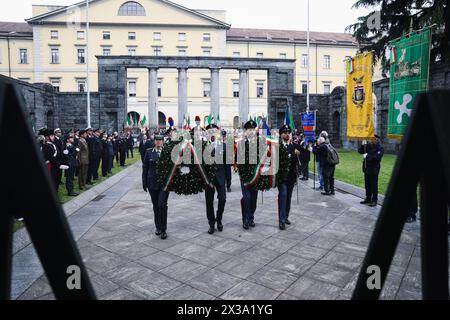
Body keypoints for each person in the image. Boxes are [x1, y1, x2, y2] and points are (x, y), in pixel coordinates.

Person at [142, 135, 170, 240]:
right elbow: (145, 168)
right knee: (156, 206)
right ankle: (158, 227)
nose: (158, 142)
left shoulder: (167, 152)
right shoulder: (149, 152)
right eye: (157, 140)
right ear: (155, 142)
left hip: (164, 184)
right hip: (152, 183)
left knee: (162, 205)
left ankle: (163, 229)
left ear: (163, 142)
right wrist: (144, 182)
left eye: (160, 140)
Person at [204, 124, 227, 235]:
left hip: (221, 177)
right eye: (210, 131)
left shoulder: (223, 146)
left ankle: (219, 219)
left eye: (214, 131)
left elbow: (227, 164)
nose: (212, 133)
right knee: (209, 202)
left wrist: (228, 180)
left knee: (222, 199)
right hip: (208, 179)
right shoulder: (203, 147)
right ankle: (211, 223)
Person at [277, 125, 301, 230]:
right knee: (283, 195)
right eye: (285, 132)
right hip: (281, 177)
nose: (287, 134)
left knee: (288, 198)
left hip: (291, 177)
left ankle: (286, 216)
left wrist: (297, 154)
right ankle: (281, 220)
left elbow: (299, 160)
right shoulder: (277, 146)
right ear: (281, 134)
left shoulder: (294, 146)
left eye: (288, 132)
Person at [239, 119, 259, 230]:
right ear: (246, 132)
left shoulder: (259, 144)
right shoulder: (241, 144)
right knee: (246, 197)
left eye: (253, 129)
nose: (251, 131)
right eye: (249, 129)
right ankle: (245, 219)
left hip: (255, 176)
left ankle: (251, 217)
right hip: (245, 176)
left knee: (254, 199)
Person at [358, 135, 384, 207]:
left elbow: (377, 157)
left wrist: (367, 156)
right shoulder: (368, 146)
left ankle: (374, 200)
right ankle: (368, 198)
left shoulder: (380, 148)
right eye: (371, 139)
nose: (371, 141)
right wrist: (363, 145)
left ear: (377, 140)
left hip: (374, 169)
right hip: (366, 168)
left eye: (373, 139)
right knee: (367, 184)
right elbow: (360, 151)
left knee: (374, 185)